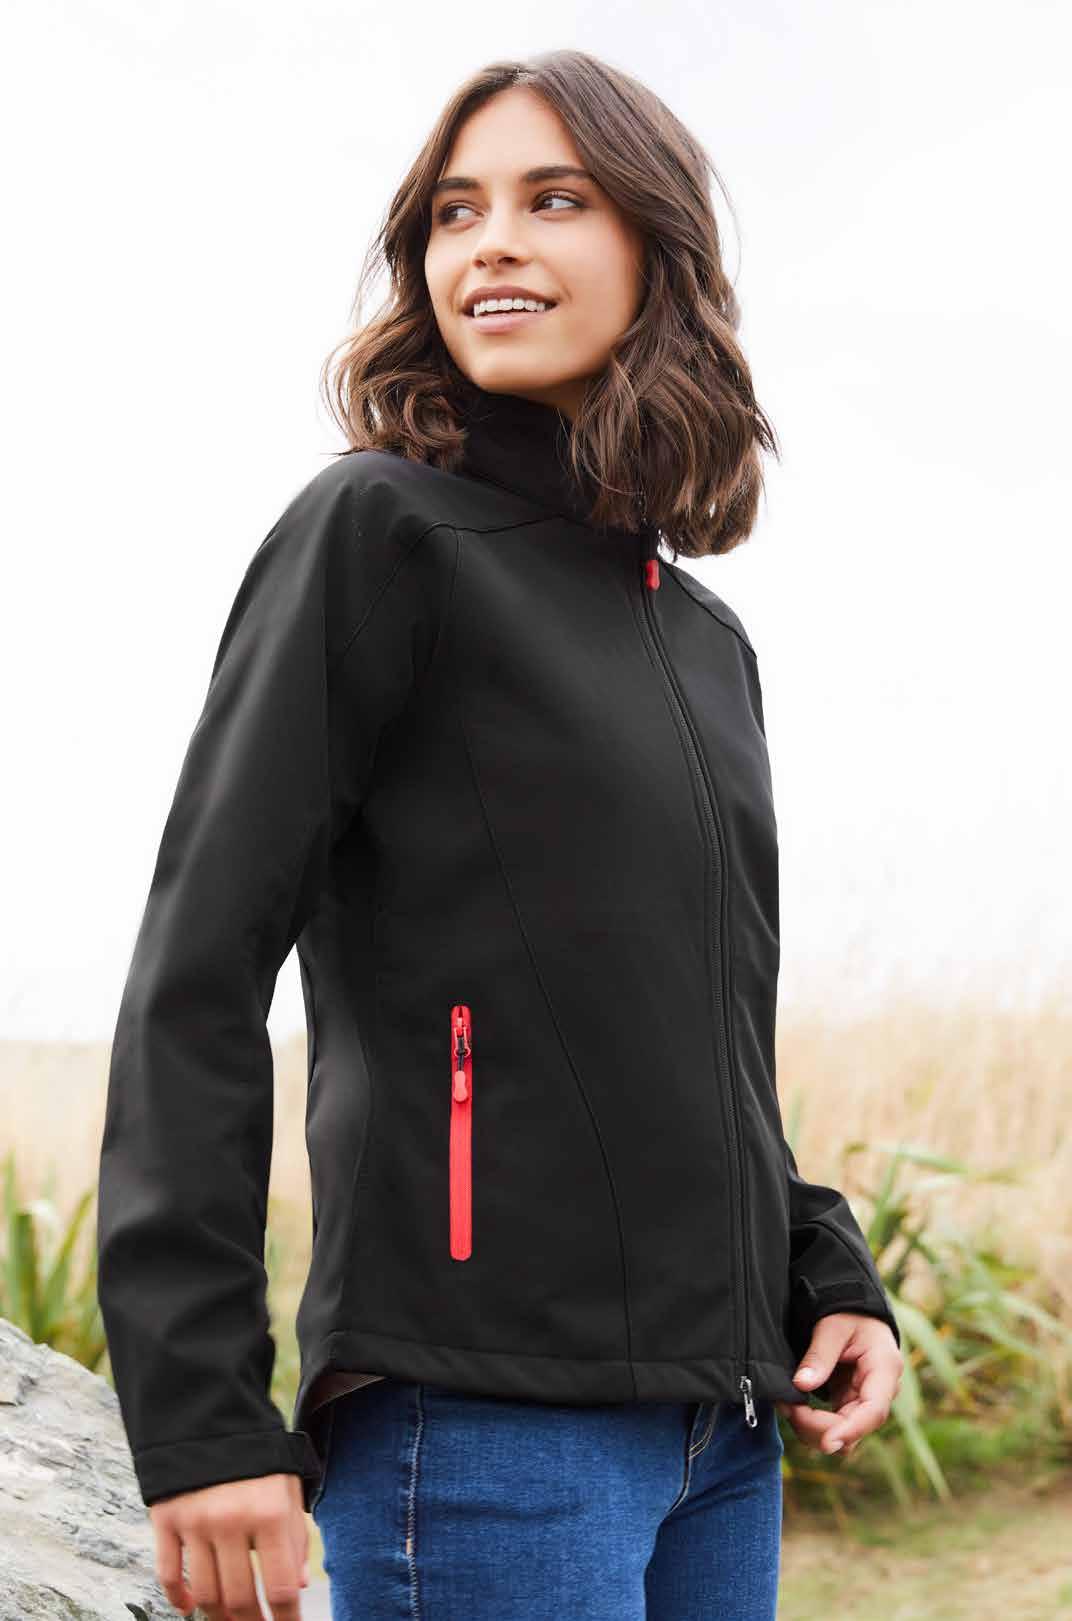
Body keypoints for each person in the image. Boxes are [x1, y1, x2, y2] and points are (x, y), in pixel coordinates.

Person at [96, 48, 904, 1621]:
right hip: (479, 1428)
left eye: (554, 200)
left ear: (659, 250)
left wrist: (823, 1264)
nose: (492, 246)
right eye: (455, 213)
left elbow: (690, 1036)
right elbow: (197, 972)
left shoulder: (705, 641)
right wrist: (201, 1409)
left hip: (721, 1436)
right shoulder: (377, 532)